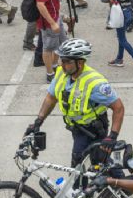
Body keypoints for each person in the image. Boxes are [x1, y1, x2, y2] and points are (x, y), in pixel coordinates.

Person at [25, 38, 125, 167]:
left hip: (93, 130)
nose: (62, 64)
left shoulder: (95, 83)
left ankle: (124, 185)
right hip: (77, 128)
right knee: (96, 163)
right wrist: (38, 122)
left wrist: (112, 136)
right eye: (62, 60)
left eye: (67, 61)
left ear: (80, 62)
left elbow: (118, 108)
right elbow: (51, 98)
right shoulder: (62, 73)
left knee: (83, 165)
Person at [35, 0, 68, 82]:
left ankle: (55, 66)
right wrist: (52, 23)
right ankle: (50, 74)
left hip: (56, 16)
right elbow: (40, 4)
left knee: (62, 44)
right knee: (48, 48)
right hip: (49, 21)